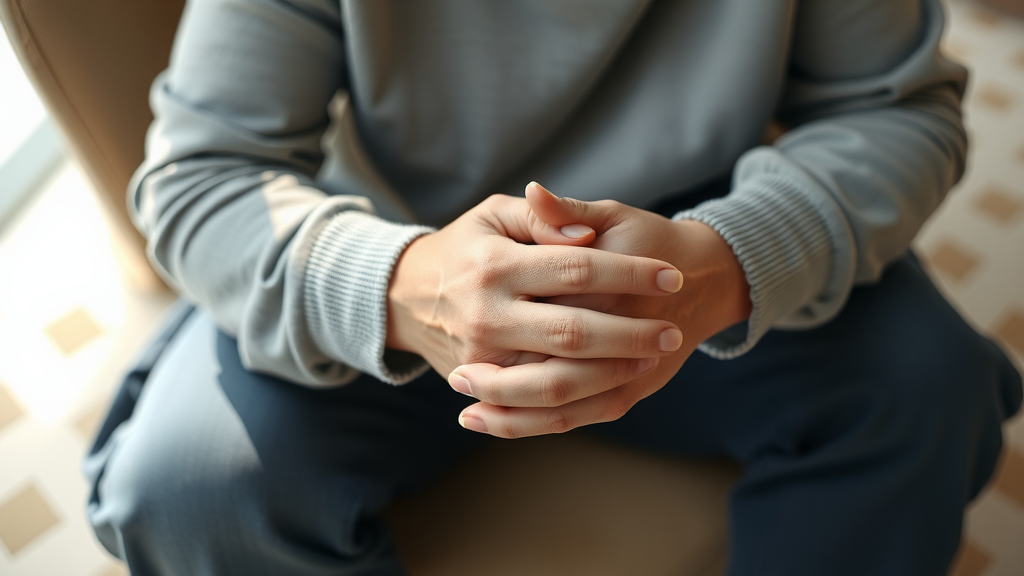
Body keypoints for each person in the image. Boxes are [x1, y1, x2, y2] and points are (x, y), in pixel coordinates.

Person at [83, 0, 1022, 574]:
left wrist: (728, 261)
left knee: (932, 389)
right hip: (392, 241)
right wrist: (403, 286)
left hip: (702, 230)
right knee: (188, 490)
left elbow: (896, 111)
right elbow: (203, 177)